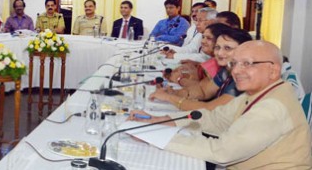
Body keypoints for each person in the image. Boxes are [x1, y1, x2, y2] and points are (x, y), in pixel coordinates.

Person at [132, 41, 312, 169]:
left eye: (247, 64)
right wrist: (163, 120)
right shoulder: (262, 91)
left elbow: (221, 152)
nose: (236, 71)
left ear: (273, 70)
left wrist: (157, 137)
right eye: (234, 64)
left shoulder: (272, 108)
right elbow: (216, 119)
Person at [151, 27, 252, 111]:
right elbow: (203, 91)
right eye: (217, 47)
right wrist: (174, 93)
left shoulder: (244, 78)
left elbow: (210, 109)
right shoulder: (226, 70)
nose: (220, 53)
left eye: (227, 48)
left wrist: (169, 98)